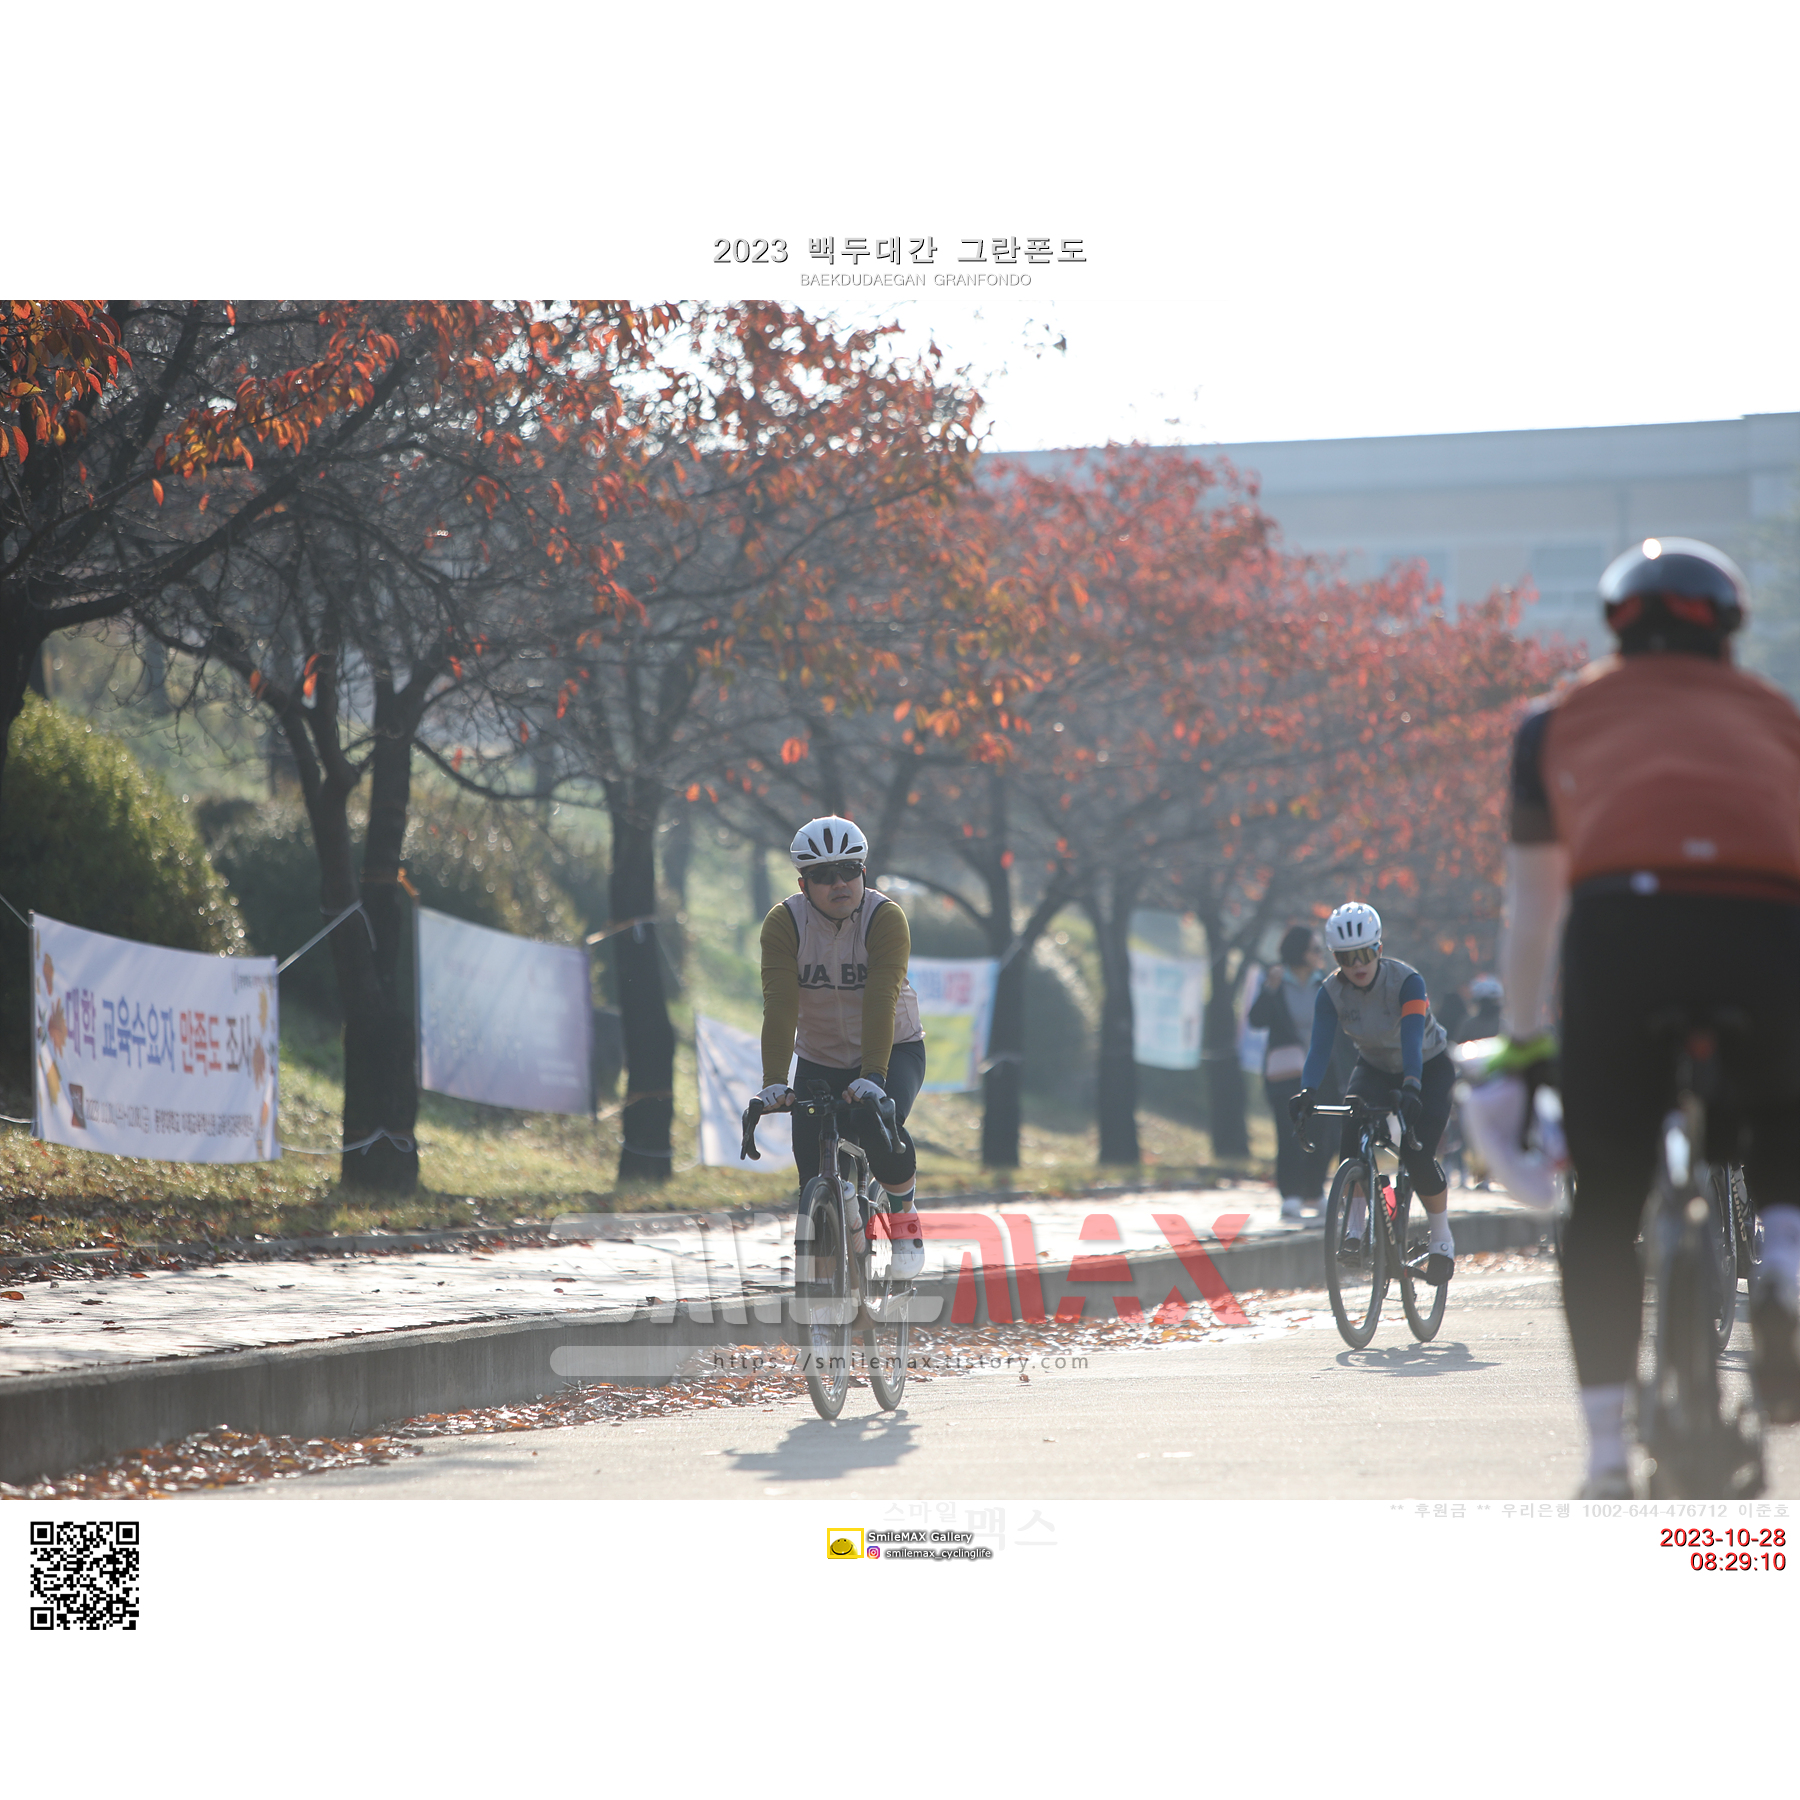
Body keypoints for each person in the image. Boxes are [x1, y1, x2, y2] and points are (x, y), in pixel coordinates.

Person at [1494, 536, 1800, 1498]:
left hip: (1621, 936)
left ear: (1616, 628)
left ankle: (1604, 1458)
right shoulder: (1780, 719)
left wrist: (1522, 1043)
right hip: (1767, 932)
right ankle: (1787, 1268)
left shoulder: (1554, 724)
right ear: (1730, 633)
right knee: (1784, 1121)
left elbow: (1533, 911)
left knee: (1606, 1197)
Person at [756, 815, 926, 1278]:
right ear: (803, 884)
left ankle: (904, 1221)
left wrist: (873, 1077)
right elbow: (780, 1005)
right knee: (812, 1169)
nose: (839, 883)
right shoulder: (785, 923)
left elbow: (881, 1000)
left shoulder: (884, 918)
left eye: (849, 870)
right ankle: (830, 1273)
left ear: (863, 873)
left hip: (895, 1048)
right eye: (823, 875)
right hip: (821, 1057)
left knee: (877, 1124)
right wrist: (774, 1082)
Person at [1289, 901, 1458, 1283]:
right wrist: (1307, 1092)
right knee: (1352, 1128)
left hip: (1427, 1066)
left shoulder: (1407, 982)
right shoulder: (1330, 993)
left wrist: (1412, 1085)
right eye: (1346, 957)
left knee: (1416, 1153)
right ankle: (1354, 1231)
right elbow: (1319, 1049)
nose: (1357, 965)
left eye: (1364, 954)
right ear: (1335, 958)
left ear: (1379, 949)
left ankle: (1441, 1238)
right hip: (1376, 1067)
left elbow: (1412, 1039)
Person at [1249, 925, 1333, 1223]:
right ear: (1299, 951)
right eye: (1315, 949)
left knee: (1322, 1132)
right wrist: (1269, 990)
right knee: (1289, 1133)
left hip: (1321, 1072)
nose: (1320, 954)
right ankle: (1291, 1195)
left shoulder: (1324, 983)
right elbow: (1256, 1020)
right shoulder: (1276, 980)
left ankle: (1314, 1191)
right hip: (1285, 1073)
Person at [1456, 975, 1503, 1043]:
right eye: (1485, 1002)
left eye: (1491, 1002)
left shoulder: (1503, 1025)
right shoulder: (1469, 1025)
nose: (1488, 1006)